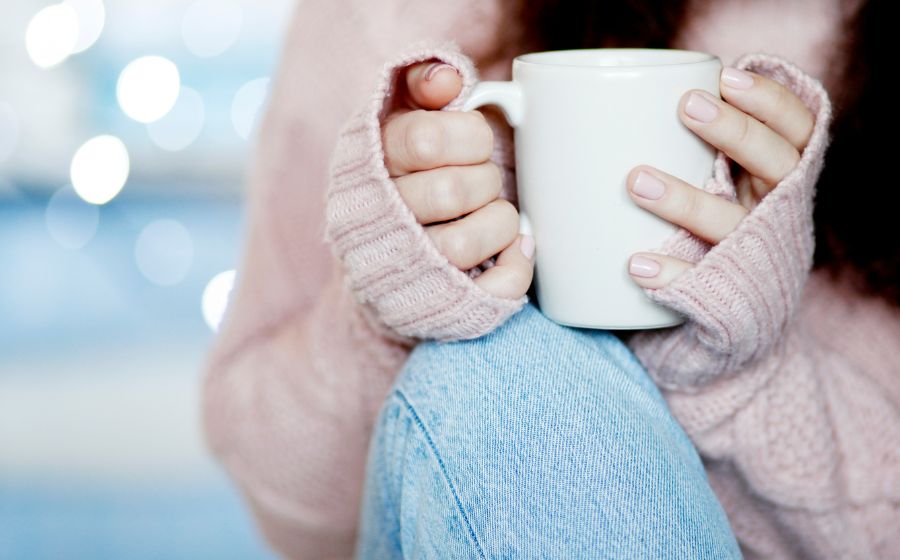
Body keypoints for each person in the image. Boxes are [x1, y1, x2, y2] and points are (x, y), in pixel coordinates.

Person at [200, 0, 898, 558]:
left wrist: (744, 372)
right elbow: (281, 508)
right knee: (501, 364)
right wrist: (387, 314)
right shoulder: (392, 14)